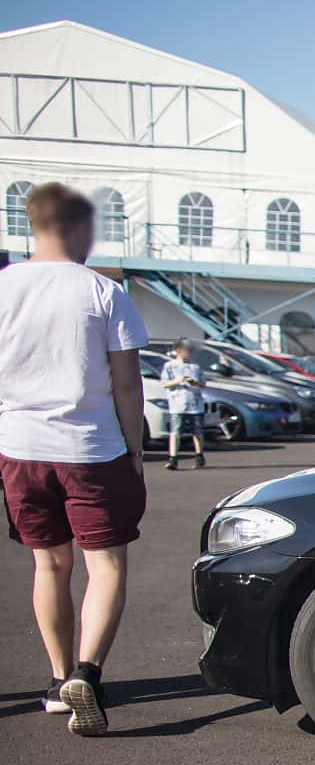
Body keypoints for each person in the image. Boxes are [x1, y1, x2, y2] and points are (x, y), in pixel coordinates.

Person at [0, 182, 150, 734]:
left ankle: (57, 680)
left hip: (20, 447)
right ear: (80, 228)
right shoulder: (104, 293)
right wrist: (135, 451)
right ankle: (86, 672)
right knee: (105, 566)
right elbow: (127, 385)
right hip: (92, 448)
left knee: (48, 564)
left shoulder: (3, 287)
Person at [159, 339, 207, 469]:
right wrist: (178, 380)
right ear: (178, 351)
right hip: (177, 404)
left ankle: (199, 455)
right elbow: (164, 383)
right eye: (187, 350)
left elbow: (203, 384)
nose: (189, 353)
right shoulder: (170, 366)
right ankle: (173, 458)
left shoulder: (195, 367)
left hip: (195, 404)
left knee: (197, 431)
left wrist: (195, 383)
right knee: (175, 432)